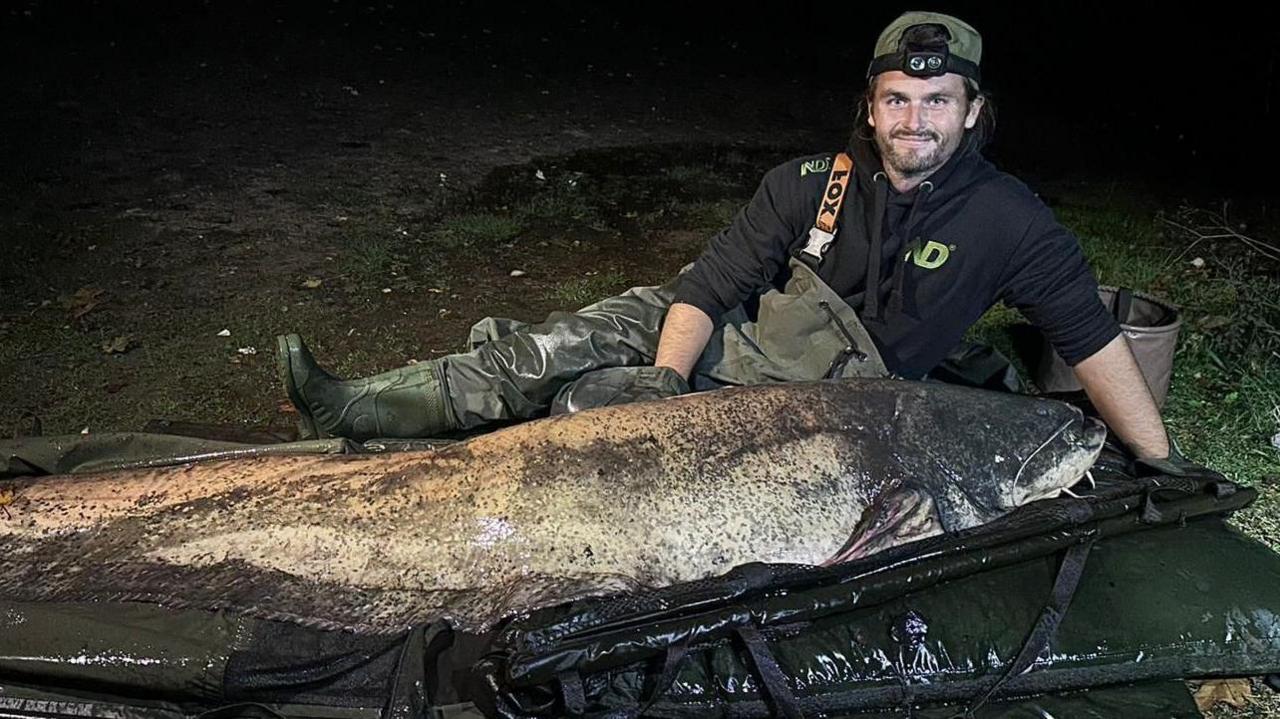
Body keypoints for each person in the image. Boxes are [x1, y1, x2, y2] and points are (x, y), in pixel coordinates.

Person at [278, 11, 1186, 469]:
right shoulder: (808, 181)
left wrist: (1159, 458)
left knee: (580, 413)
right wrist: (667, 385)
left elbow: (1090, 338)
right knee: (562, 343)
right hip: (721, 348)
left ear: (973, 111)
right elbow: (704, 288)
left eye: (938, 101)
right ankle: (354, 409)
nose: (916, 120)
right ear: (870, 111)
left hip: (815, 402)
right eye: (897, 101)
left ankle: (443, 443)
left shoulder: (1011, 218)